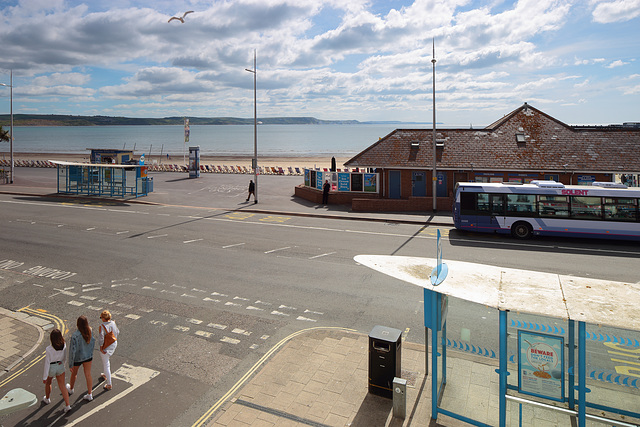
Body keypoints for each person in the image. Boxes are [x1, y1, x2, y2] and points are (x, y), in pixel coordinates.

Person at [42, 329, 72, 413]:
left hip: (52, 367)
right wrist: (63, 365)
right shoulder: (64, 345)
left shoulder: (49, 349)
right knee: (62, 385)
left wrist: (44, 377)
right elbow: (64, 357)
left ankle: (47, 399)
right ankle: (68, 405)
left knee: (48, 382)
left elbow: (47, 363)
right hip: (60, 365)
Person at [67, 315, 96, 402]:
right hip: (88, 356)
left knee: (74, 373)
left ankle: (71, 389)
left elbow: (72, 351)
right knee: (88, 374)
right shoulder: (90, 330)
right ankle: (90, 394)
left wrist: (70, 364)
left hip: (77, 358)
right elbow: (93, 342)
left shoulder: (75, 335)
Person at [98, 310, 119, 390]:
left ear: (103, 318)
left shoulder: (102, 326)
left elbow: (101, 338)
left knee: (106, 364)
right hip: (114, 344)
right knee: (107, 360)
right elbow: (117, 332)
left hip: (106, 347)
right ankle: (106, 374)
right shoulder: (113, 323)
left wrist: (101, 347)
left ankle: (109, 384)